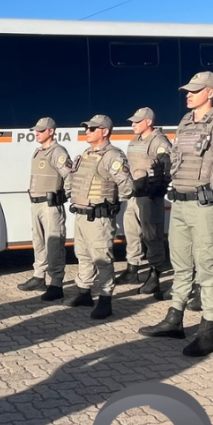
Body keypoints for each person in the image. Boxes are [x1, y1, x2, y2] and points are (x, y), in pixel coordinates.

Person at [139, 72, 213, 358]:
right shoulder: (186, 122)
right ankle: (175, 319)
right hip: (179, 204)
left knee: (207, 266)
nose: (188, 94)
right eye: (187, 90)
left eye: (195, 90)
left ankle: (208, 330)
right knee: (180, 263)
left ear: (211, 92)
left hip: (206, 206)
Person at [65, 115, 134, 319]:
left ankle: (105, 300)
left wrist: (110, 204)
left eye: (93, 128)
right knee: (83, 255)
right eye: (87, 127)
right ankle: (84, 293)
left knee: (102, 258)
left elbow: (127, 186)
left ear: (104, 131)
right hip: (82, 216)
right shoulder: (86, 154)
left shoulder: (113, 156)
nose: (88, 131)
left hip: (99, 218)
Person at [18, 117, 75, 301]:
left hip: (51, 205)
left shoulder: (57, 152)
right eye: (36, 130)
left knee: (54, 243)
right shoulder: (38, 151)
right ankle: (38, 276)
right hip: (36, 203)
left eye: (41, 130)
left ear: (51, 131)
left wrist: (66, 195)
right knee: (39, 241)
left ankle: (56, 283)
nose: (37, 133)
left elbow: (69, 175)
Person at [120, 107, 171, 297]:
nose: (132, 124)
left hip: (150, 196)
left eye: (137, 121)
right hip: (134, 195)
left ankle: (155, 275)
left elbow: (167, 166)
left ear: (148, 122)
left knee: (152, 236)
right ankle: (132, 269)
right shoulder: (135, 141)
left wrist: (158, 188)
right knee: (131, 232)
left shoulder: (159, 141)